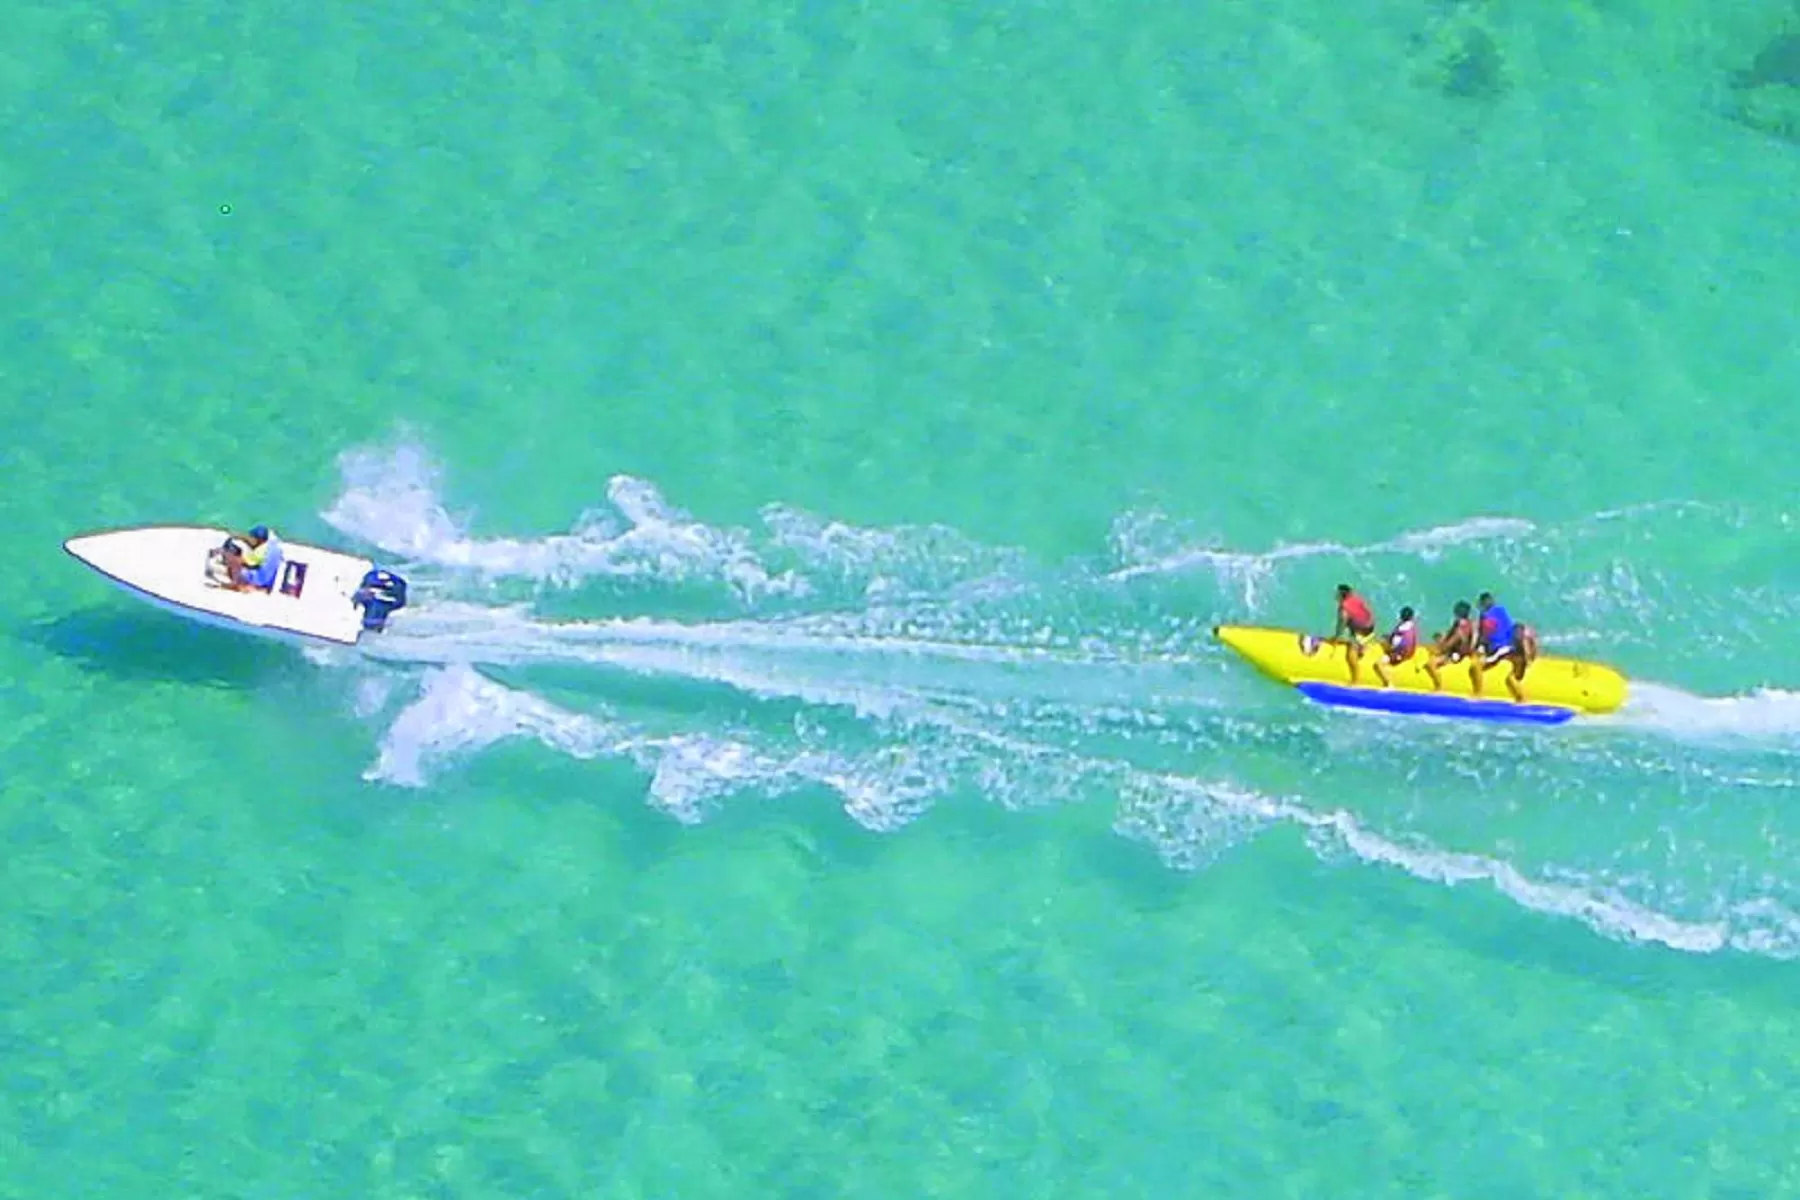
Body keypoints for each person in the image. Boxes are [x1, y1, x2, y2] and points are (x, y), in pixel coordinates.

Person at [1471, 592, 1539, 700]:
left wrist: (1479, 648)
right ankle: (1522, 701)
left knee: (1475, 667)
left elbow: (1486, 634)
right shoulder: (1501, 611)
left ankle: (1477, 695)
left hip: (1502, 648)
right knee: (1511, 680)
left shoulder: (1487, 615)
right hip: (1517, 651)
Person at [1423, 599, 1476, 691]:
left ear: (1457, 613)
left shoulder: (1461, 629)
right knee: (1435, 649)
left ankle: (1438, 687)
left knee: (1430, 664)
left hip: (1457, 655)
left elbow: (1449, 644)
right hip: (1456, 651)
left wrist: (1439, 648)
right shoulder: (1466, 623)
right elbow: (1448, 636)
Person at [1332, 583, 1377, 683]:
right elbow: (1367, 612)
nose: (1335, 595)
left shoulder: (1344, 609)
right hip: (1370, 627)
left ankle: (1355, 680)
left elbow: (1341, 626)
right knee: (1353, 632)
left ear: (1341, 595)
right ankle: (1363, 646)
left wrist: (1336, 639)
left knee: (1350, 656)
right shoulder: (1356, 599)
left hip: (1362, 632)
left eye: (1337, 593)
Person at [222, 524, 285, 592]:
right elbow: (254, 548)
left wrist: (231, 558)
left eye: (253, 537)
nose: (251, 539)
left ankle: (240, 586)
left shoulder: (261, 550)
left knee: (234, 565)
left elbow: (245, 562)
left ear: (259, 539)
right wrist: (243, 539)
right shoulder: (273, 546)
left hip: (260, 579)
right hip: (270, 579)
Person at [1373, 605, 1420, 686]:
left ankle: (1388, 683)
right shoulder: (1411, 627)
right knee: (1384, 641)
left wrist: (1388, 647)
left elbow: (1397, 645)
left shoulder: (1402, 628)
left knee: (1377, 664)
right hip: (1405, 653)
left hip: (1399, 655)